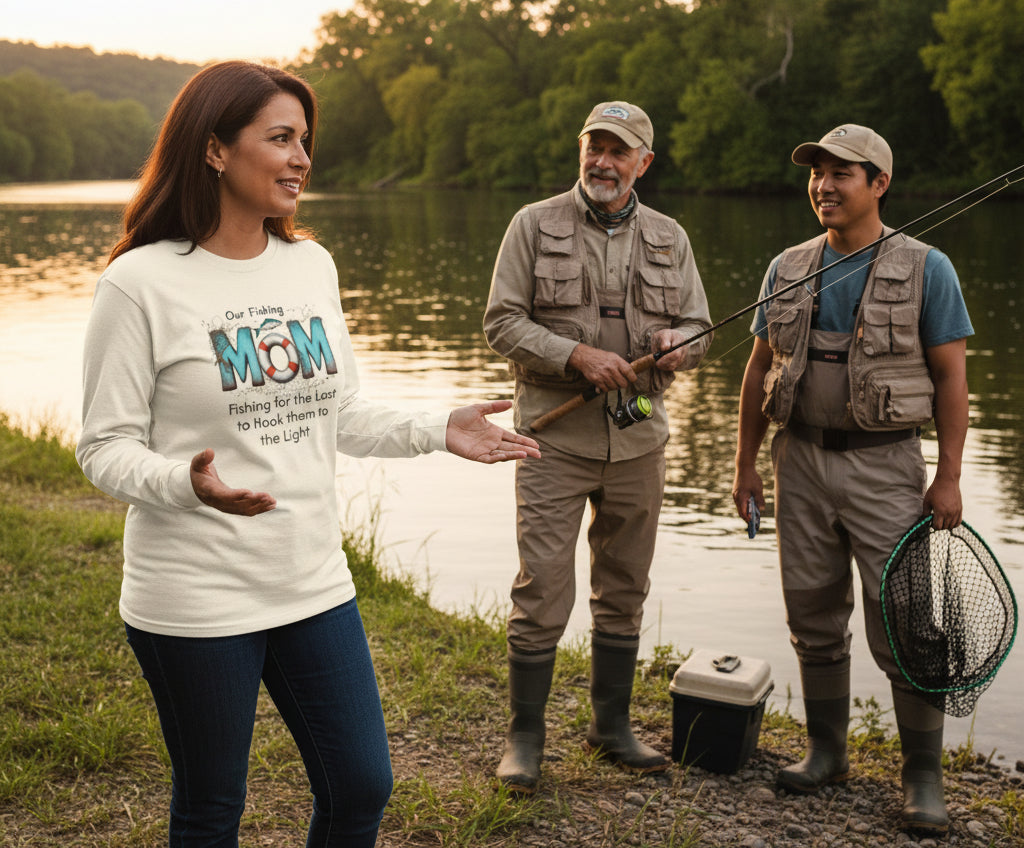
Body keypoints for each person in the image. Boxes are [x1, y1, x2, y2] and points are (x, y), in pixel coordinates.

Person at [75, 60, 540, 848]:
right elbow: (103, 446)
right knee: (212, 806)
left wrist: (438, 428)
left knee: (361, 785)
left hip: (312, 579)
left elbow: (341, 412)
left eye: (305, 140)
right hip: (195, 595)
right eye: (280, 138)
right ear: (217, 149)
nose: (302, 158)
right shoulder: (139, 282)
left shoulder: (310, 265)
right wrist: (183, 482)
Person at [731, 124, 972, 834]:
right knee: (811, 612)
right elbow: (756, 370)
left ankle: (922, 781)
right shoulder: (786, 265)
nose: (824, 185)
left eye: (843, 173)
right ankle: (826, 752)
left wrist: (949, 477)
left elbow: (953, 378)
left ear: (879, 184)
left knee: (907, 626)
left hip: (887, 465)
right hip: (797, 460)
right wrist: (745, 463)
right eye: (817, 173)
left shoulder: (930, 268)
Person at [482, 100, 713, 794]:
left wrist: (682, 347)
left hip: (641, 442)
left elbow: (702, 327)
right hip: (551, 439)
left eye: (620, 151)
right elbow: (500, 323)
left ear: (644, 163)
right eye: (595, 147)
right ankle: (525, 737)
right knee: (542, 588)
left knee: (625, 589)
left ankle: (610, 728)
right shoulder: (532, 223)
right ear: (581, 151)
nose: (604, 162)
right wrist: (575, 355)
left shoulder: (671, 236)